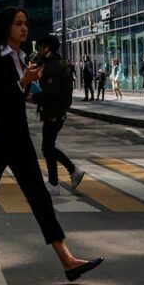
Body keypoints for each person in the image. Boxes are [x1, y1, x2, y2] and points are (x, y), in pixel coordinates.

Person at [0, 7, 104, 285]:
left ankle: (67, 259)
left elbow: (20, 97)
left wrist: (31, 86)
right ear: (6, 27)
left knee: (39, 197)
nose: (24, 28)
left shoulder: (24, 57)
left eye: (26, 23)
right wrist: (23, 82)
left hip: (19, 138)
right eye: (18, 24)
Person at [34, 35, 83, 195]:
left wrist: (33, 97)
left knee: (47, 147)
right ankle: (56, 182)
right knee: (48, 147)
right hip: (55, 111)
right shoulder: (54, 64)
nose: (38, 50)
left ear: (47, 48)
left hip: (53, 112)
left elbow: (50, 93)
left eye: (40, 47)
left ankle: (70, 171)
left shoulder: (54, 66)